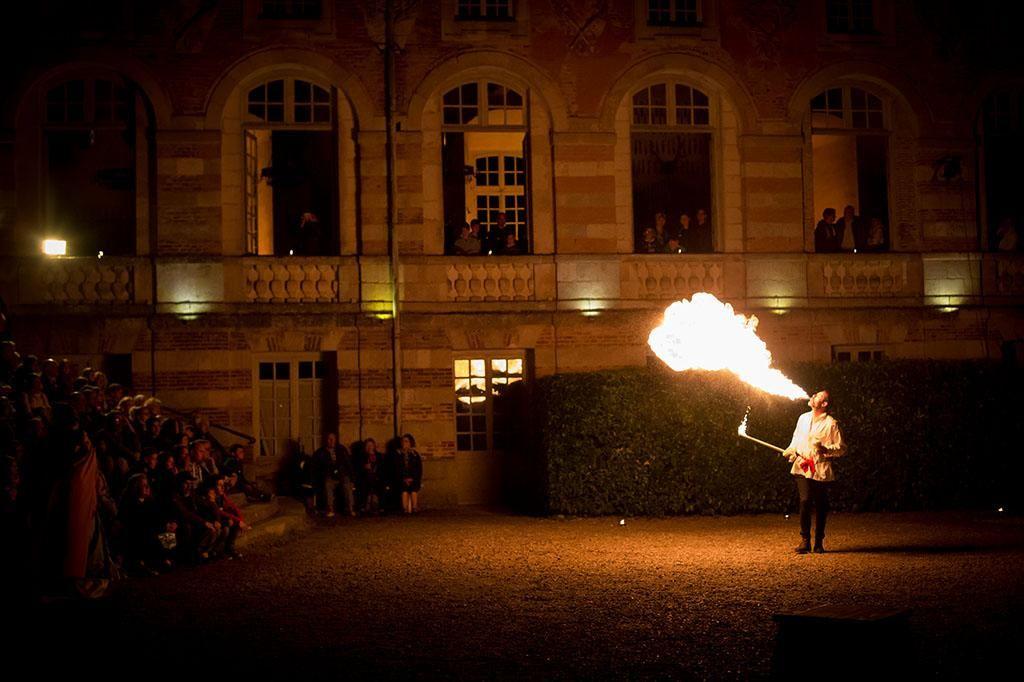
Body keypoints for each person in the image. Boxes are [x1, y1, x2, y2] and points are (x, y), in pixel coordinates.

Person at [782, 390, 847, 554]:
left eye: (817, 396)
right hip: (802, 466)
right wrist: (790, 450)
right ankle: (805, 540)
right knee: (805, 500)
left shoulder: (831, 424)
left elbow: (841, 449)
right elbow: (796, 439)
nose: (812, 396)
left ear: (824, 404)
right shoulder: (802, 418)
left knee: (821, 505)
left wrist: (824, 448)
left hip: (820, 469)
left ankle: (818, 541)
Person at [313, 432, 355, 517]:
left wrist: (352, 478)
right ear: (326, 440)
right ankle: (330, 508)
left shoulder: (341, 450)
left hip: (342, 475)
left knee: (347, 484)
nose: (331, 441)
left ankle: (350, 508)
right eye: (329, 439)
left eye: (333, 439)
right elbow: (317, 467)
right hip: (329, 476)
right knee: (328, 484)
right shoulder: (320, 452)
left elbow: (348, 464)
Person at [396, 433, 423, 514]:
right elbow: (397, 468)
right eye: (403, 441)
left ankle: (415, 507)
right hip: (402, 478)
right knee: (404, 490)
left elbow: (418, 469)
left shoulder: (415, 455)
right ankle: (404, 508)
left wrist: (413, 478)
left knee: (414, 490)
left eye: (407, 441)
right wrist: (404, 478)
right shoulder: (398, 454)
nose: (405, 443)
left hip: (413, 478)